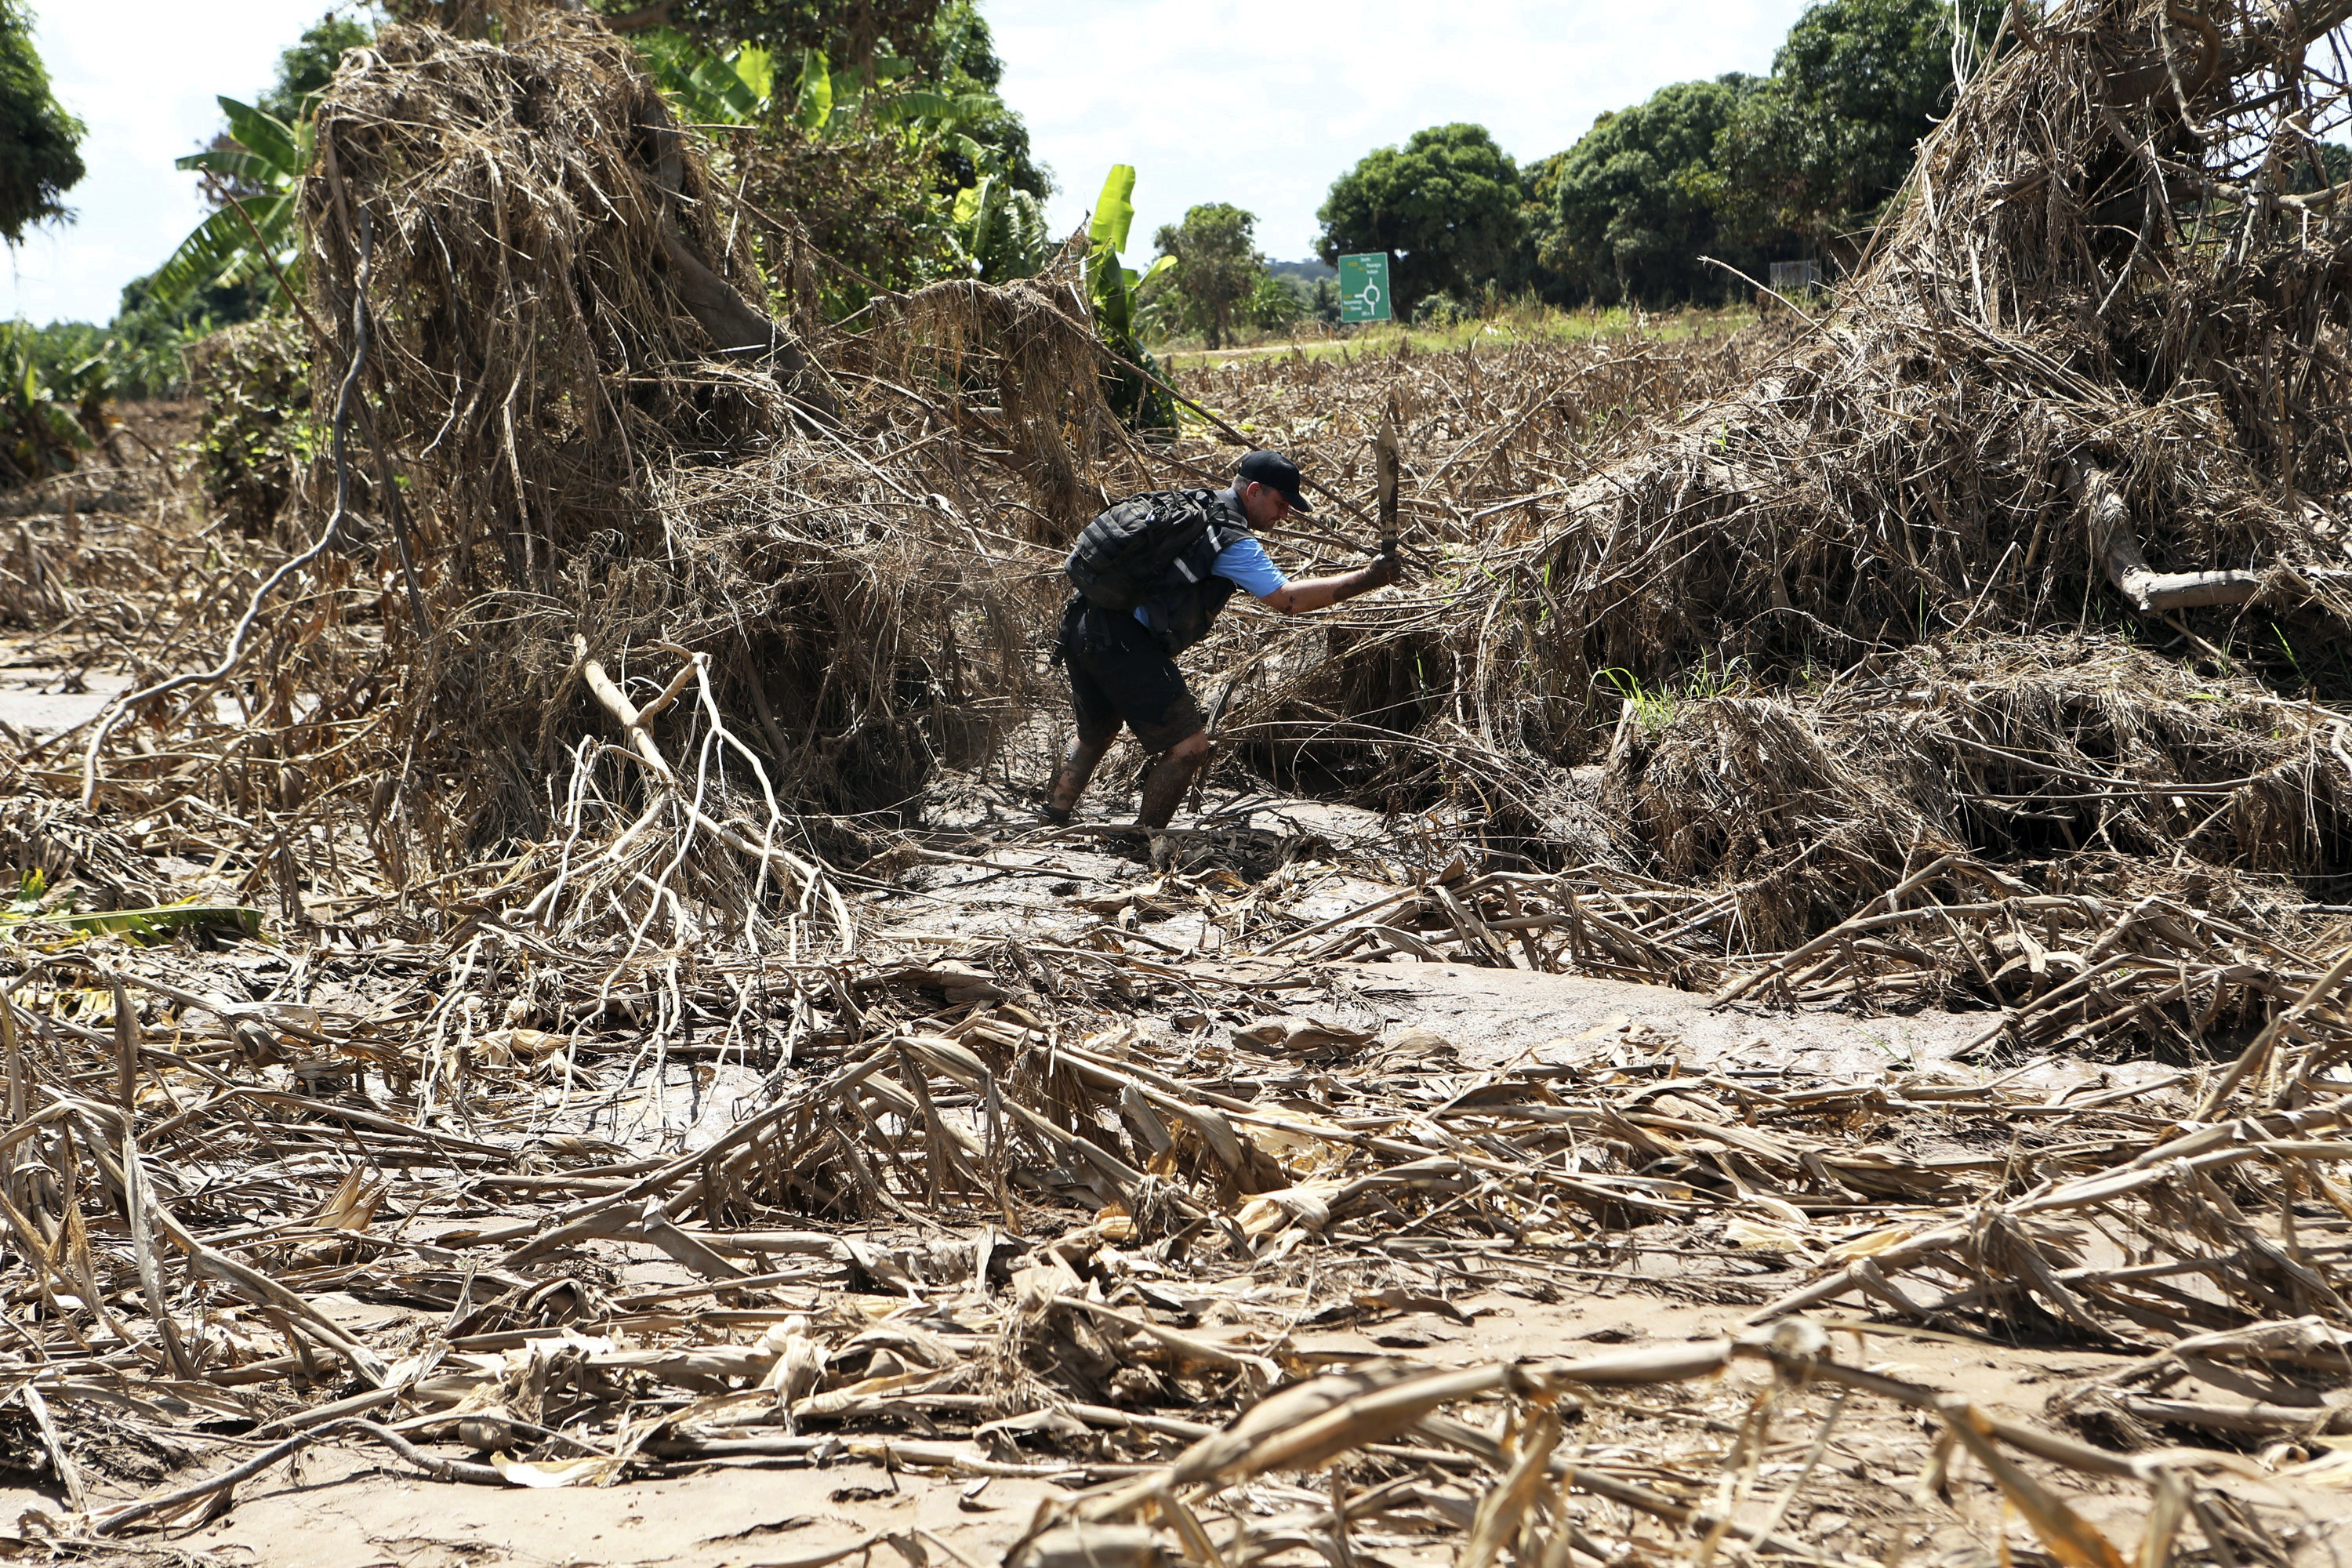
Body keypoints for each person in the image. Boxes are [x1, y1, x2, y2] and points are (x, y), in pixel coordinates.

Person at [1045, 450, 1402, 839]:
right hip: (1122, 641)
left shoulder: (1194, 502)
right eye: (1281, 504)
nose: (1283, 515)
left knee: (1097, 731)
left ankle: (1053, 815)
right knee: (1191, 747)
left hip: (1083, 620)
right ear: (1253, 491)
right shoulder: (1230, 537)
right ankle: (1143, 839)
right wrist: (1368, 578)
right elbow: (1288, 600)